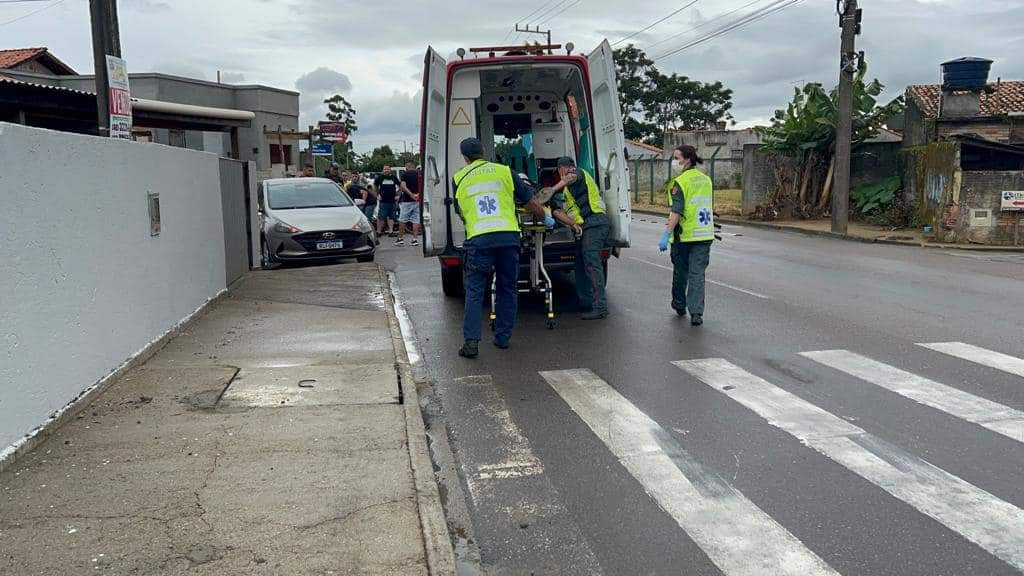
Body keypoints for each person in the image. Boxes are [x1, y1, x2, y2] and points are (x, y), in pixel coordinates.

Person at [453, 137, 551, 358]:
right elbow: (529, 201)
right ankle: (503, 338)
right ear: (484, 151)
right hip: (507, 238)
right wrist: (545, 217)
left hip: (479, 240)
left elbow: (461, 210)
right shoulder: (505, 171)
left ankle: (471, 343)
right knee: (507, 288)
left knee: (475, 291)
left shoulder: (458, 178)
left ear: (465, 157)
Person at [548, 157, 610, 320]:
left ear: (563, 168)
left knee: (591, 264)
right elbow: (566, 212)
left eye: (560, 172)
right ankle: (587, 302)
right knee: (580, 264)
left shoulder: (577, 173)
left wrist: (552, 189)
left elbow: (571, 177)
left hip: (595, 223)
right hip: (585, 226)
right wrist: (573, 224)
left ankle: (600, 307)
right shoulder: (568, 191)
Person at [659, 144, 714, 326]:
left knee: (681, 272)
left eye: (677, 158)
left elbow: (677, 211)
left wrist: (666, 234)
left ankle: (680, 304)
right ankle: (696, 313)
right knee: (697, 274)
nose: (674, 162)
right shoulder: (706, 179)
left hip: (684, 236)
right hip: (704, 234)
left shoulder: (679, 183)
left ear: (687, 159)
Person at [396, 161, 421, 247]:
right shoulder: (419, 174)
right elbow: (423, 186)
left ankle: (400, 239)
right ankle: (415, 239)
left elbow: (403, 186)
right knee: (416, 220)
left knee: (402, 219)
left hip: (407, 201)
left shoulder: (405, 174)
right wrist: (418, 194)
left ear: (407, 167)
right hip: (417, 201)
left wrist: (411, 195)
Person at [374, 166, 401, 237]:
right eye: (385, 169)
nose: (386, 170)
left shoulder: (394, 178)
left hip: (392, 201)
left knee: (391, 217)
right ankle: (378, 232)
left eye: (388, 169)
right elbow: (375, 186)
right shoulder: (380, 178)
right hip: (383, 201)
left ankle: (390, 232)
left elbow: (400, 186)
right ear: (383, 170)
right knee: (381, 217)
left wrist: (398, 195)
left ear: (390, 170)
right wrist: (377, 195)